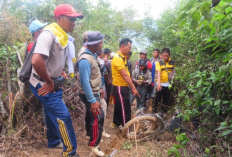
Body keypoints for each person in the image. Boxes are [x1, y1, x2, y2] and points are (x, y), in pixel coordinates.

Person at [30, 4, 84, 157]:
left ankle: (53, 141)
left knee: (50, 112)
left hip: (52, 80)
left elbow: (51, 59)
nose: (74, 22)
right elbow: (36, 61)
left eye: (75, 19)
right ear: (59, 18)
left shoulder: (61, 35)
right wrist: (48, 81)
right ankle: (70, 152)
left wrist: (59, 71)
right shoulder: (48, 34)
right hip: (42, 83)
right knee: (63, 116)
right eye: (70, 18)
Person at [76, 31, 105, 156]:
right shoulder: (85, 60)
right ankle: (94, 144)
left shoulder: (91, 54)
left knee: (92, 115)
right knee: (98, 117)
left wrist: (99, 87)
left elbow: (94, 76)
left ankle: (90, 136)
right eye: (100, 43)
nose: (102, 45)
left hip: (94, 91)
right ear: (94, 44)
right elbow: (85, 82)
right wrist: (93, 100)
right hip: (90, 93)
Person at [110, 38, 139, 128]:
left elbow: (127, 73)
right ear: (123, 46)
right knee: (124, 107)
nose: (130, 50)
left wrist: (130, 86)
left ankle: (116, 122)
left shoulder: (123, 57)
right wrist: (133, 88)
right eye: (129, 47)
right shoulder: (118, 58)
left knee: (120, 105)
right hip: (120, 86)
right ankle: (126, 127)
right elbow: (125, 76)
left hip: (123, 86)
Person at [153, 48, 175, 114]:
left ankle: (163, 112)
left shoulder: (172, 62)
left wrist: (172, 77)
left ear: (169, 55)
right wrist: (159, 83)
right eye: (164, 56)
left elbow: (174, 70)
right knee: (157, 98)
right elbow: (159, 72)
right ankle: (154, 111)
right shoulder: (158, 62)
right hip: (160, 84)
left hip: (168, 84)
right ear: (161, 55)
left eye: (167, 56)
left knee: (166, 99)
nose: (165, 57)